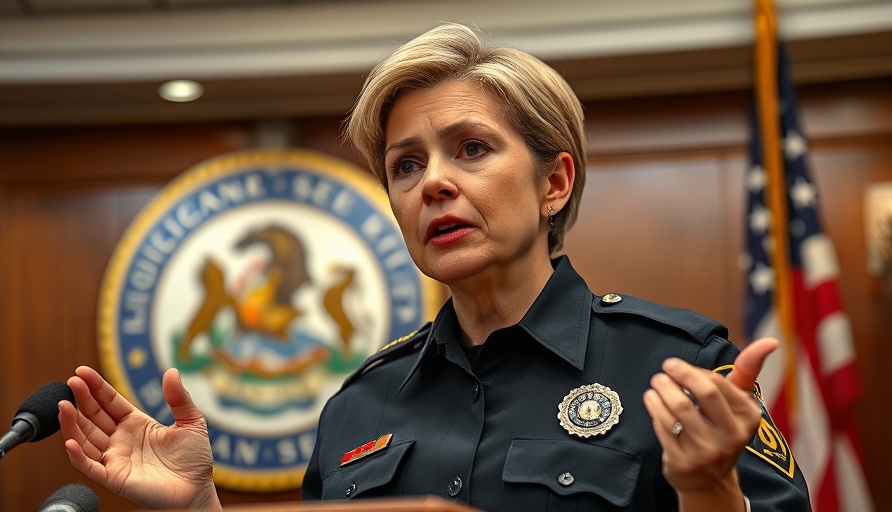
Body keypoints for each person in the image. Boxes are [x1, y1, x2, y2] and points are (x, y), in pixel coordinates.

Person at [58, 22, 812, 512]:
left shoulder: (680, 368)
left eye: (472, 149)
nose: (433, 183)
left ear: (554, 183)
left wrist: (709, 488)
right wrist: (200, 509)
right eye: (405, 165)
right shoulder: (358, 406)